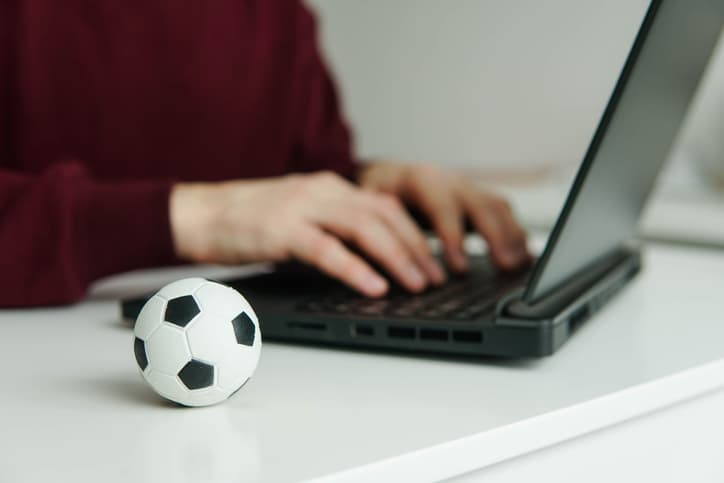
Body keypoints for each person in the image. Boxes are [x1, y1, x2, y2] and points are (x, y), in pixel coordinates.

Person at [0, 0, 529, 307]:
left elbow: (298, 175)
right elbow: (245, 206)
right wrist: (198, 217)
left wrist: (367, 187)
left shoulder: (279, 17)